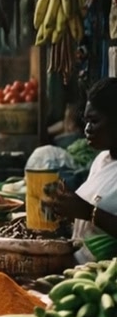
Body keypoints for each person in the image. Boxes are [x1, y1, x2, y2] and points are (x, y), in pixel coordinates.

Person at [49, 78, 117, 258]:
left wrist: (88, 212)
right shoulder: (102, 160)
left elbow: (91, 212)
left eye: (94, 121)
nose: (87, 129)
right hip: (78, 270)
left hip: (105, 278)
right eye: (86, 121)